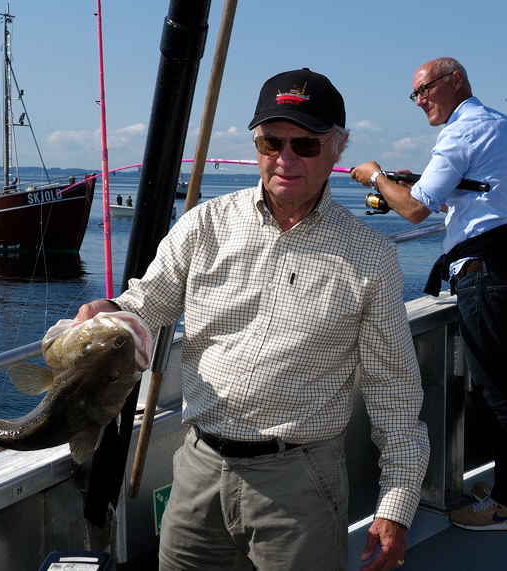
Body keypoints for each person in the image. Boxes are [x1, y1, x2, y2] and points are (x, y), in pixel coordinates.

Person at [75, 68, 429, 571]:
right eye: (270, 142)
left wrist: (396, 506)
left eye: (305, 145)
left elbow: (395, 396)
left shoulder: (371, 259)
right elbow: (145, 306)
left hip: (301, 482)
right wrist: (109, 313)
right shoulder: (204, 223)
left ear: (337, 149)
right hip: (197, 470)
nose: (284, 159)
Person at [351, 57, 507, 532]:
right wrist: (413, 179)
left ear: (455, 80)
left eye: (425, 90)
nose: (419, 101)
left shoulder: (460, 132)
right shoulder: (496, 123)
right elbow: (475, 188)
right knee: (499, 387)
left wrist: (375, 177)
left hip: (485, 273)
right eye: (414, 95)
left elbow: (417, 210)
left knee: (497, 391)